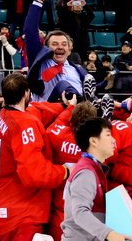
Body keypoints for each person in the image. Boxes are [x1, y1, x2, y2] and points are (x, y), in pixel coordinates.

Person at [0, 72, 71, 240]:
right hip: (20, 213)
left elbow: (36, 110)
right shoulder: (25, 124)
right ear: (26, 93)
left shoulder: (2, 115)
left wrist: (65, 108)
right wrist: (64, 171)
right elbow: (34, 174)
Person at [61, 117, 132, 241]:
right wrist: (109, 234)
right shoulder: (86, 172)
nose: (113, 140)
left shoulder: (94, 168)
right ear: (93, 141)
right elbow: (80, 213)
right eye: (108, 135)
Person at [24, 0, 87, 102]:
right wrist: (39, 0)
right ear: (46, 48)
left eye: (64, 44)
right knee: (63, 85)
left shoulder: (78, 70)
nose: (60, 47)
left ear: (70, 49)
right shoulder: (40, 63)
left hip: (74, 117)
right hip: (47, 115)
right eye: (54, 44)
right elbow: (30, 32)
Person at [43, 100, 97, 240]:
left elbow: (56, 125)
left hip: (59, 205)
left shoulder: (57, 134)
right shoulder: (96, 145)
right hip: (86, 209)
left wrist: (70, 107)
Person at [0, 23, 18, 90]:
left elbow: (13, 52)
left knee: (8, 88)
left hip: (8, 68)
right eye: (2, 29)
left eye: (6, 29)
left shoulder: (11, 39)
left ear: (8, 30)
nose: (4, 31)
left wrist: (6, 43)